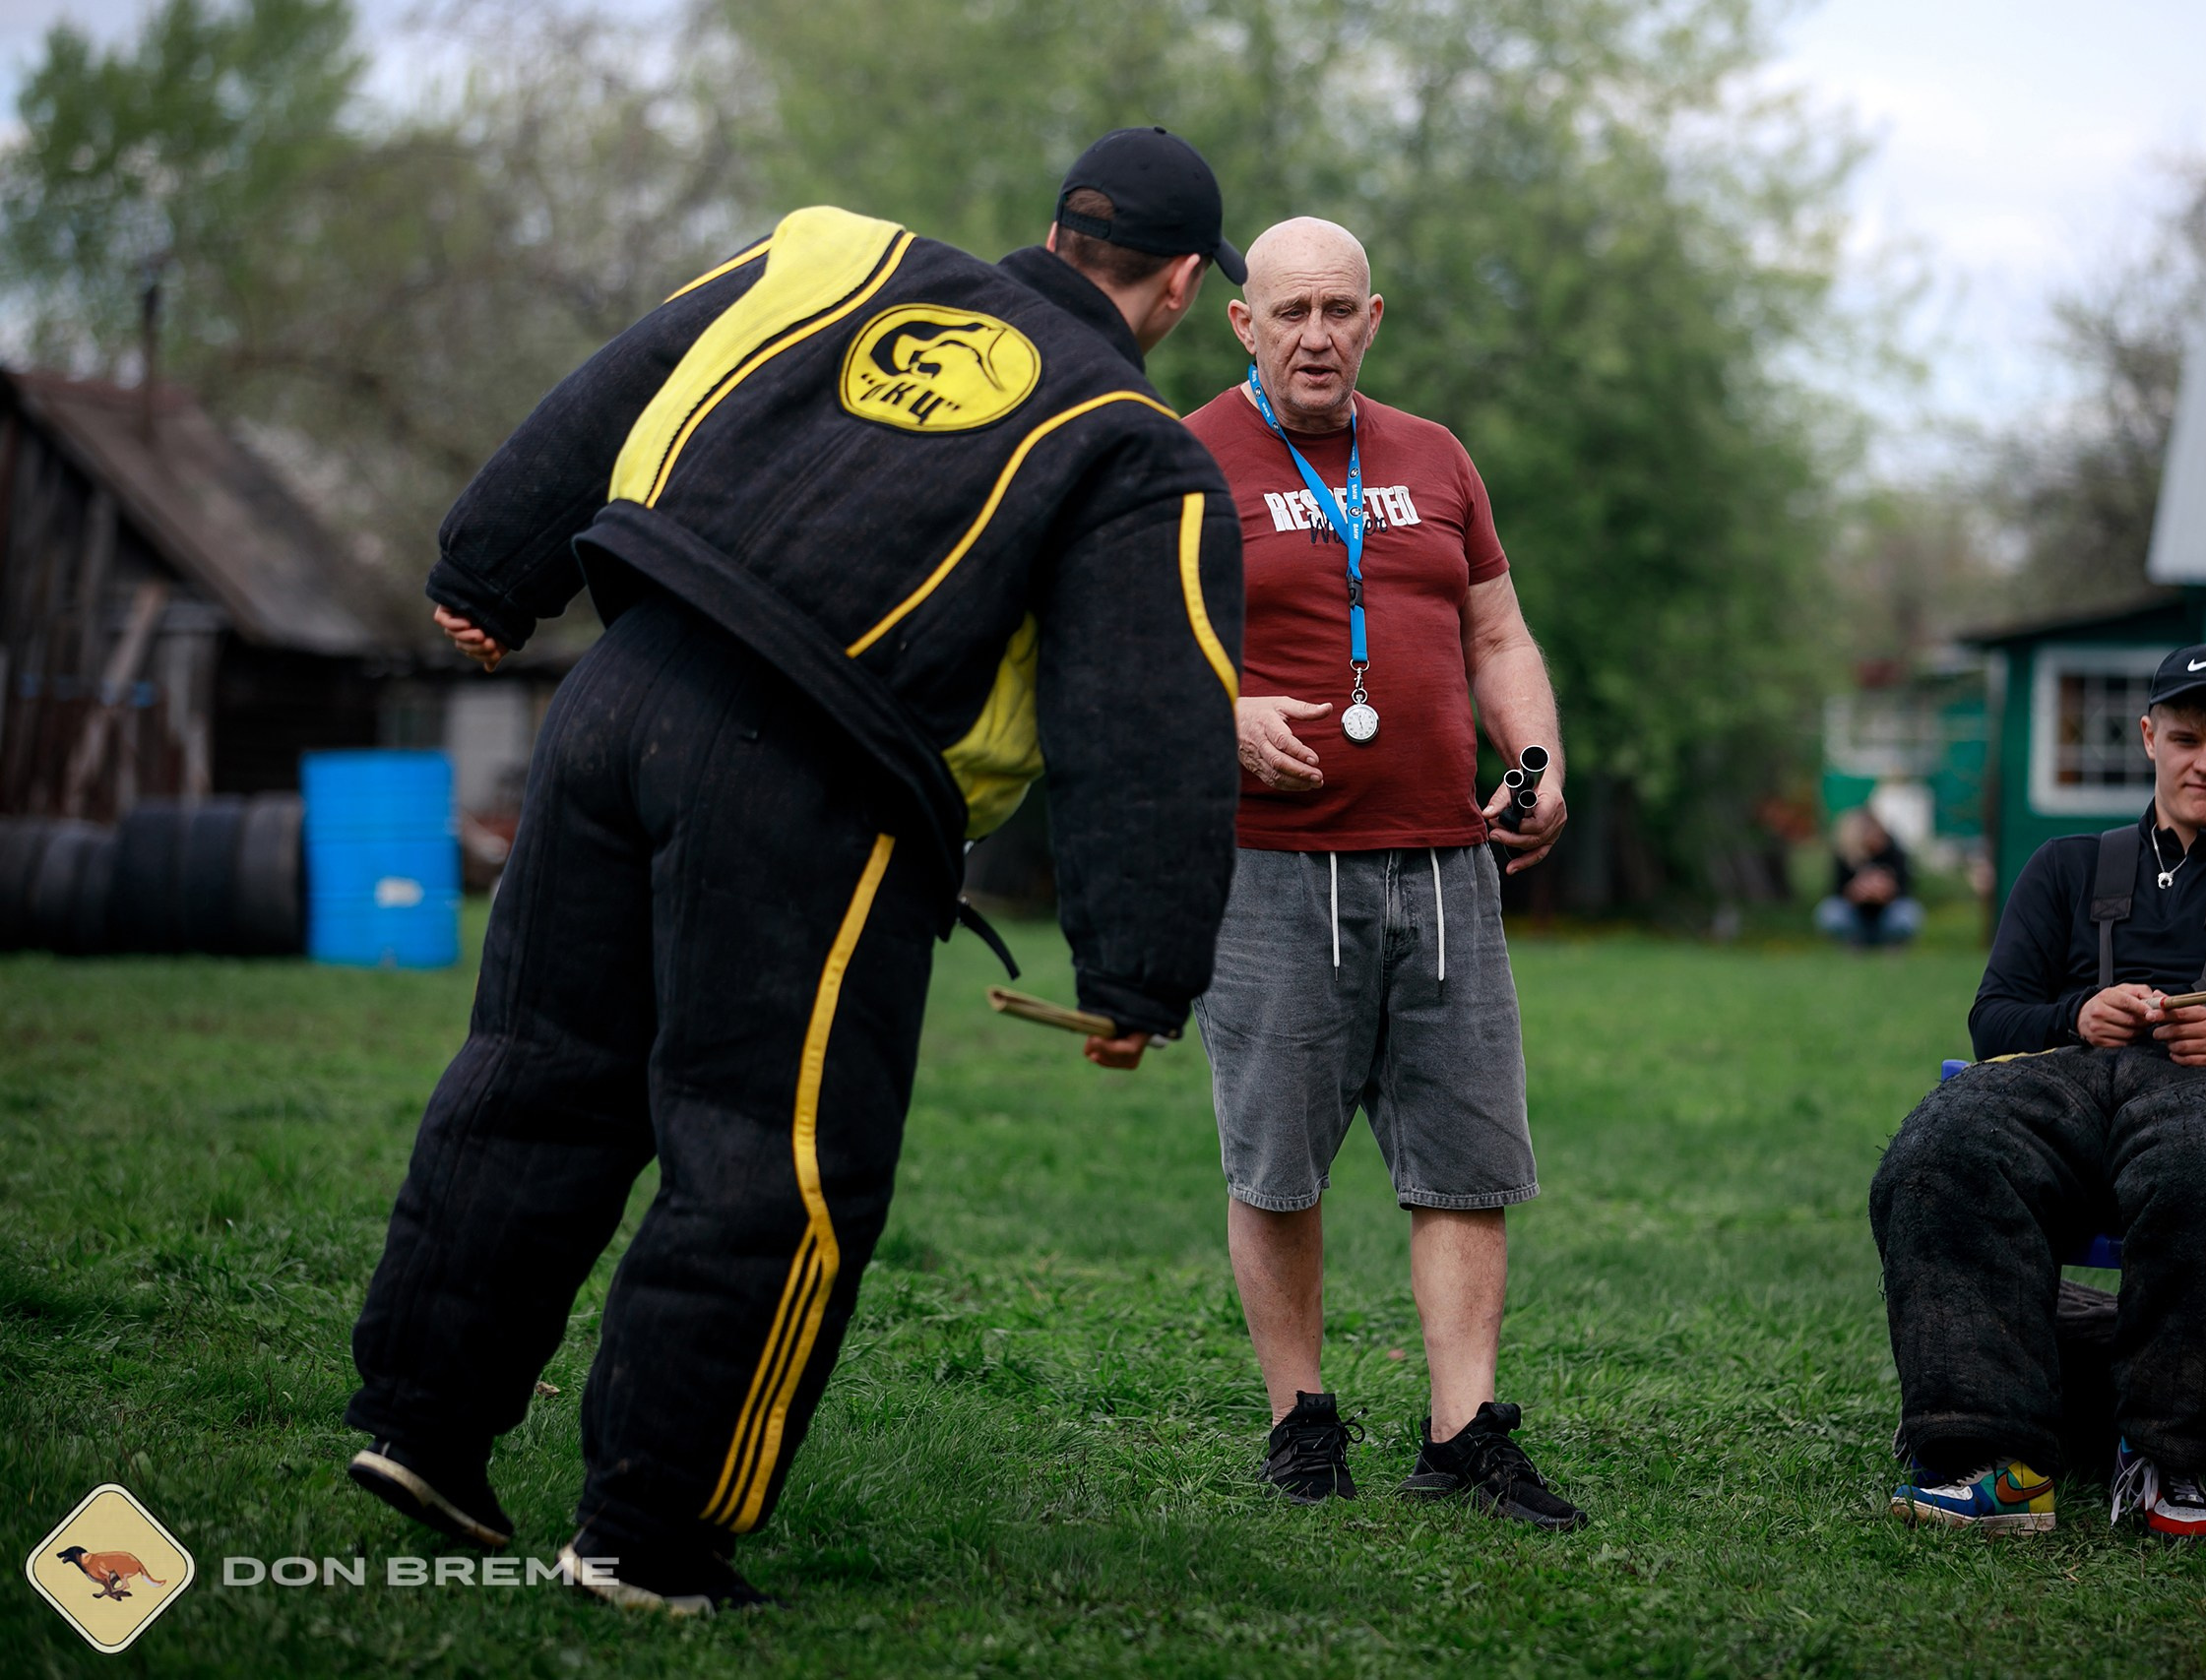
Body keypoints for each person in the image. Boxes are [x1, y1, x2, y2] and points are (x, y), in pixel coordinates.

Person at [343, 128, 1248, 1613]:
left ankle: (426, 1429)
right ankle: (648, 1533)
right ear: (1179, 286)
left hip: (616, 694)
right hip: (813, 780)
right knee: (772, 1157)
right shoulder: (1135, 444)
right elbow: (1146, 711)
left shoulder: (847, 255)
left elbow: (626, 370)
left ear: (1051, 229)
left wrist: (491, 568)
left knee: (539, 1073)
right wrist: (1142, 965)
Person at [1179, 217, 1586, 1530]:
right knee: (1277, 1161)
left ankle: (1463, 1432)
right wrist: (1227, 709)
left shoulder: (1433, 456)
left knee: (1467, 1161)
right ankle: (1301, 1419)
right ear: (1243, 323)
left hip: (1446, 866)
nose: (1316, 334)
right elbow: (1132, 646)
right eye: (1288, 311)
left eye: (1338, 310)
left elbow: (1498, 630)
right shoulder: (1190, 455)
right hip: (1271, 869)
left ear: (1374, 318)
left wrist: (1535, 758)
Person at [1870, 645, 2206, 1541]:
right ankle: (1991, 1461)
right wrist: (2079, 1014)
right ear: (2149, 737)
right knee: (1938, 1152)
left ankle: (2171, 1462)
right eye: (2185, 737)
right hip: (2063, 1085)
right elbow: (1993, 1020)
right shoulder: (2066, 864)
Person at [1815, 807, 1923, 947]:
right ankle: (1853, 942)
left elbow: (1906, 890)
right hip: (1856, 916)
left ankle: (1894, 945)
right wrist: (1855, 894)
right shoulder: (1844, 858)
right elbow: (1835, 891)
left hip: (1887, 915)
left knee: (1907, 911)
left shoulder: (1895, 854)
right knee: (1830, 911)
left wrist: (1886, 893)